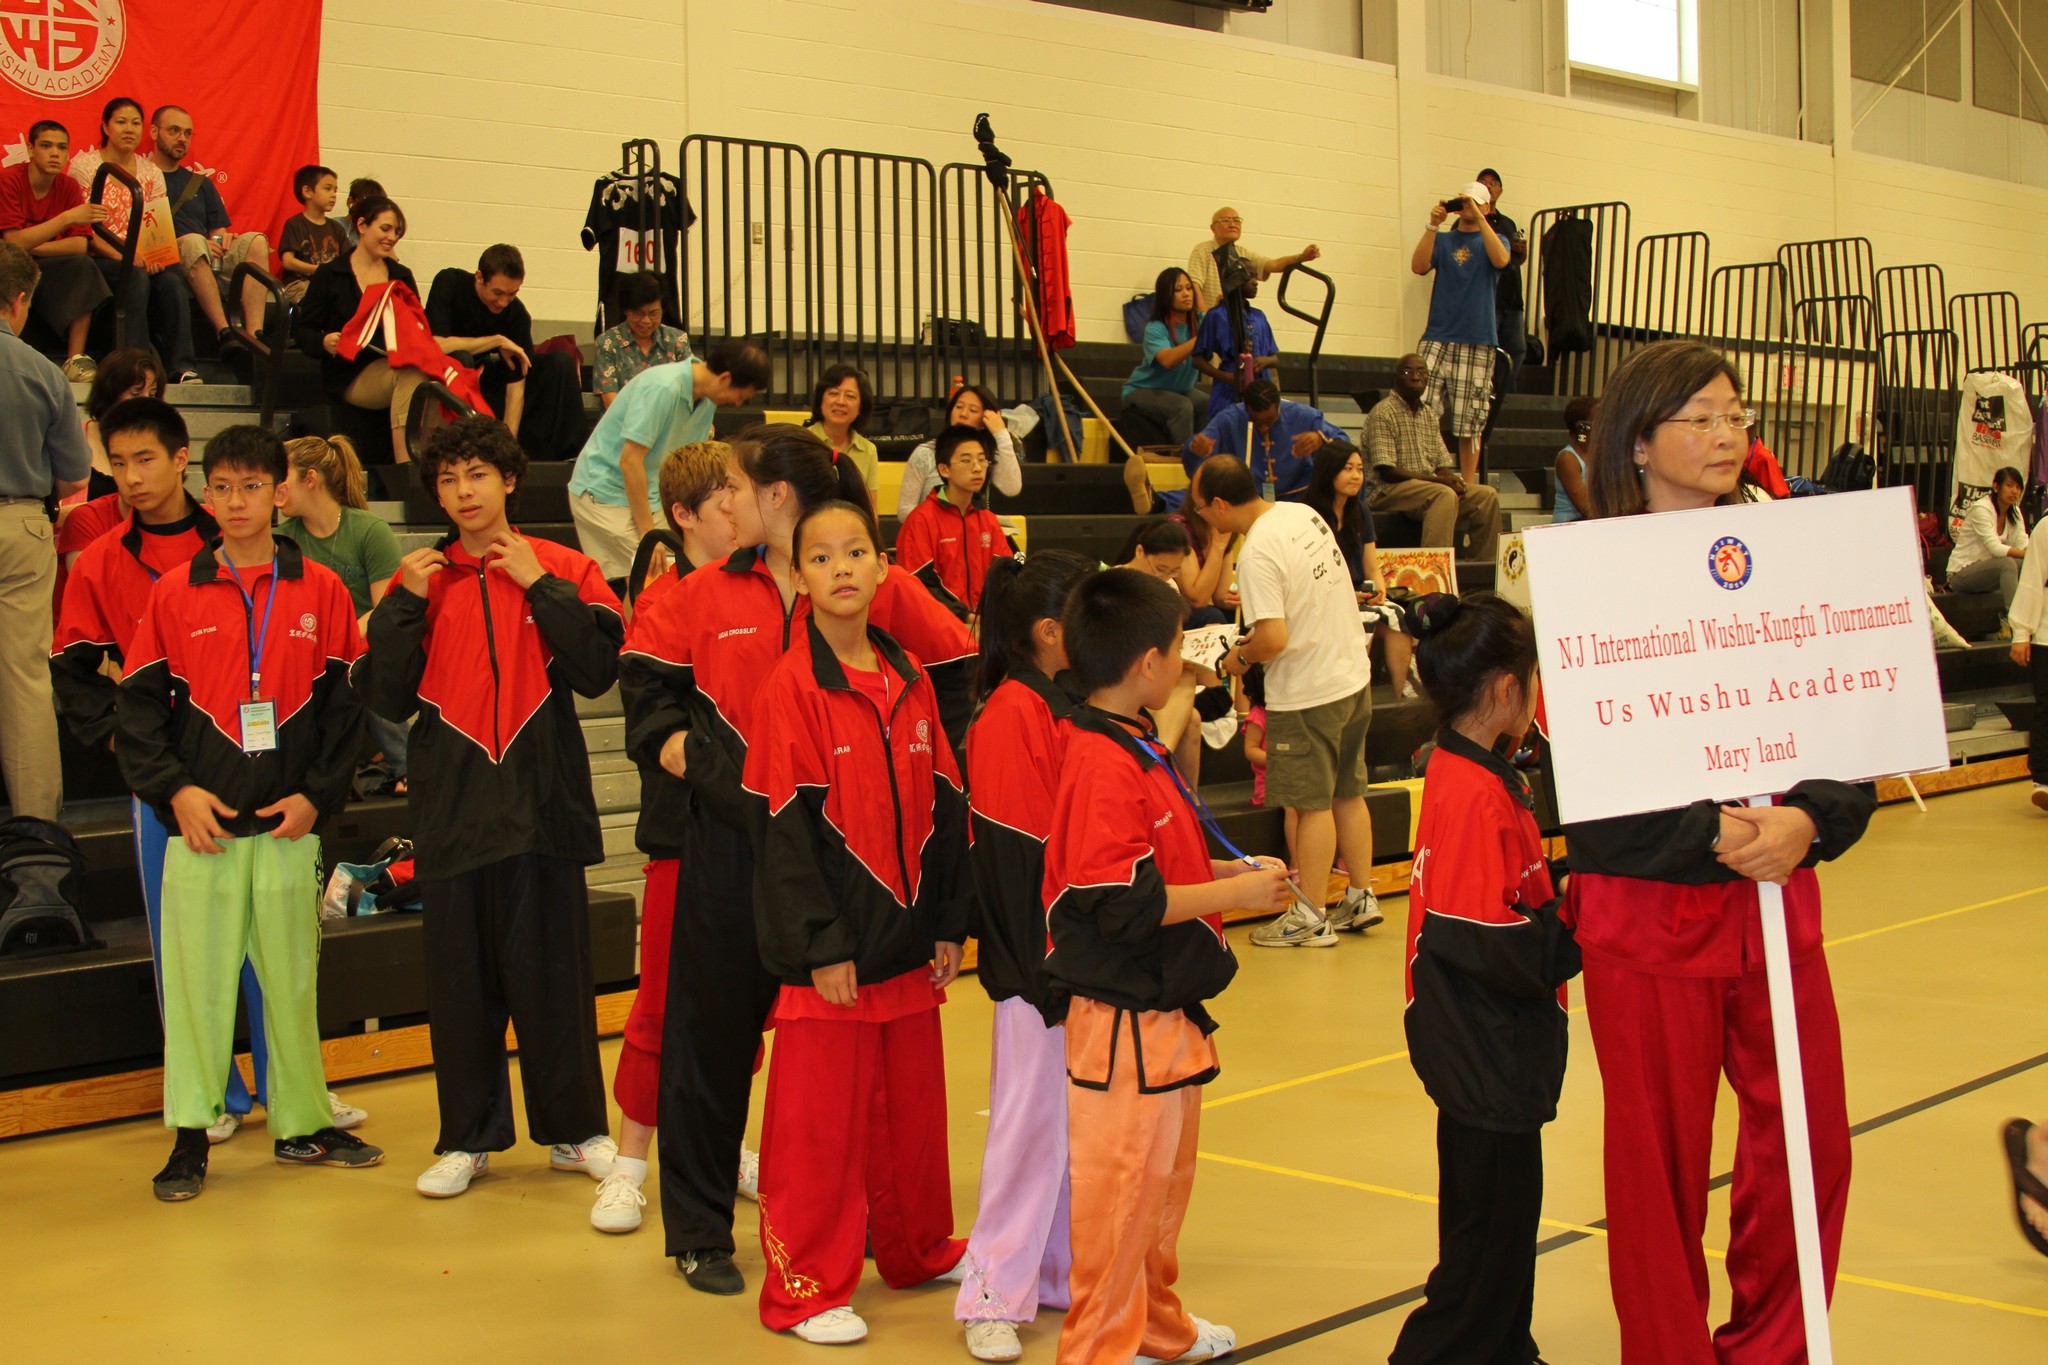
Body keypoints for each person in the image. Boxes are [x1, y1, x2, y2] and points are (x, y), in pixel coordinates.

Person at [1570, 338, 1875, 1362]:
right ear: (1638, 440)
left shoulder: (1790, 560)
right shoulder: (1592, 579)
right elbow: (1586, 792)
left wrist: (1809, 821)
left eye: (1735, 414)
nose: (1725, 433)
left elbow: (1850, 724)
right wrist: (1713, 833)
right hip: (1648, 918)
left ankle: (1773, 1346)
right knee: (1655, 1171)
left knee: (1809, 1145)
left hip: (1777, 903)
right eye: (1698, 416)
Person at [615, 424, 971, 1296]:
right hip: (727, 850)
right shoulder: (700, 590)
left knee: (853, 1059)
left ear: (776, 495)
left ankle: (875, 1225)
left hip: (842, 866)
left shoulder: (867, 584)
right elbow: (645, 693)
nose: (723, 500)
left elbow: (956, 667)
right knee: (709, 1041)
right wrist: (698, 766)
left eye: (733, 485)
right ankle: (700, 1231)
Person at [353, 416, 622, 1210]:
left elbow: (598, 667)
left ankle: (576, 1131)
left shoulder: (565, 565)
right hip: (454, 809)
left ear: (508, 479)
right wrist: (403, 605)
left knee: (556, 981)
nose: (463, 491)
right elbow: (387, 694)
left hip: (542, 806)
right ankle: (467, 1137)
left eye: (477, 474)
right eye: (448, 479)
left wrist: (539, 583)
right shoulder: (419, 580)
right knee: (461, 987)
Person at [116, 424, 382, 1200]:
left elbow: (346, 710)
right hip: (202, 830)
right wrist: (176, 791)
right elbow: (138, 711)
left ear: (280, 492)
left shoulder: (322, 589)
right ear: (207, 495)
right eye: (224, 488)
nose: (237, 502)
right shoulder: (175, 591)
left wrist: (317, 796)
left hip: (287, 826)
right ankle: (189, 1136)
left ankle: (300, 1123)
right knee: (197, 987)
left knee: (293, 983)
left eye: (253, 486)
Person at [1041, 567, 1286, 1365]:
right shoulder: (1100, 761)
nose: (1183, 661)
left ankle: (1152, 1325)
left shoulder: (1133, 740)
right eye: (1179, 648)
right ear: (1148, 662)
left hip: (1163, 1005)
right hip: (1122, 1018)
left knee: (1160, 1192)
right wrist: (1240, 892)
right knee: (1118, 1199)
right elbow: (1124, 905)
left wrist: (1232, 873)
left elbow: (1158, 869)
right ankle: (1097, 1348)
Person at [745, 497, 971, 1345]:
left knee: (910, 1117)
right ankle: (804, 1287)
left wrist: (947, 920)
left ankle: (916, 1248)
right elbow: (783, 833)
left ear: (883, 566)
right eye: (820, 556)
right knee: (818, 1131)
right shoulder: (790, 688)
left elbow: (946, 805)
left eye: (855, 552)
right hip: (833, 958)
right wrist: (821, 946)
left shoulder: (911, 675)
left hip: (907, 945)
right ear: (798, 576)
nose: (841, 567)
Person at [1387, 592, 1579, 1365]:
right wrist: (1576, 925)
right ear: (1506, 688)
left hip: (1487, 1044)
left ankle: (1506, 1347)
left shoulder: (1471, 768)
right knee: (1481, 1248)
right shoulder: (1472, 794)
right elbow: (1488, 940)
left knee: (1502, 1230)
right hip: (1484, 1047)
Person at [599, 441, 746, 1234]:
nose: (739, 507)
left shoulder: (767, 592)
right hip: (684, 835)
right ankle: (628, 1163)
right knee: (661, 1002)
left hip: (755, 836)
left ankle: (727, 1141)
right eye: (726, 496)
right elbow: (653, 723)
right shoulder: (667, 601)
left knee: (743, 1009)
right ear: (685, 514)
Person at [953, 548, 1096, 1363]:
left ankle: (1053, 1270)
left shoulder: (1064, 702)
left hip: (1072, 958)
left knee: (1069, 1128)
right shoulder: (1012, 713)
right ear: (1049, 631)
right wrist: (1045, 969)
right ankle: (989, 1293)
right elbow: (1015, 859)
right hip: (1036, 966)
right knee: (1026, 1127)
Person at [1195, 455, 1381, 947]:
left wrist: (1238, 659)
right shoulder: (1302, 514)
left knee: (1310, 804)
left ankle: (1310, 916)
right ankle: (1361, 896)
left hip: (1308, 692)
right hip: (1351, 675)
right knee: (1348, 792)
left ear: (1220, 504)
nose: (1202, 518)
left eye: (1201, 508)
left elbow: (1273, 638)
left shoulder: (1257, 551)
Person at [0, 243, 92, 821]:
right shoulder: (40, 371)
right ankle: (37, 829)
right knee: (26, 682)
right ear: (19, 300)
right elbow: (75, 476)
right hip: (19, 522)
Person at [568, 339, 769, 579]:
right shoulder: (662, 387)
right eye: (740, 395)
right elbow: (630, 462)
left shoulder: (707, 398)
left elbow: (690, 458)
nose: (738, 403)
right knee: (647, 573)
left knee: (675, 568)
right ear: (725, 378)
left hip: (650, 492)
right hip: (605, 492)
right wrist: (648, 533)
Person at [276, 434, 408, 794]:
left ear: (310, 479)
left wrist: (341, 640)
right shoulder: (282, 539)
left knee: (358, 668)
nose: (275, 488)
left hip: (361, 644)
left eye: (281, 476)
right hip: (305, 647)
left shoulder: (368, 530)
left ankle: (409, 766)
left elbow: (385, 607)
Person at [292, 196, 438, 466]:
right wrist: (324, 341)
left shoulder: (401, 275)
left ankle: (436, 462)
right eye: (385, 229)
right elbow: (303, 330)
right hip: (350, 371)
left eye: (397, 231)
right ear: (361, 225)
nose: (392, 237)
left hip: (393, 361)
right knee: (411, 373)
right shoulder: (331, 274)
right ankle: (407, 466)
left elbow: (418, 327)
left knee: (437, 375)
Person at [68, 97, 200, 383]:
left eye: (135, 123)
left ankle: (182, 367)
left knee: (173, 283)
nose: (129, 129)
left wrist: (153, 256)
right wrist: (126, 257)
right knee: (136, 278)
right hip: (100, 257)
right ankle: (137, 367)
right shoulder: (85, 166)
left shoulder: (151, 172)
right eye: (121, 122)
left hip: (141, 258)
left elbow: (157, 226)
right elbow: (85, 229)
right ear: (106, 127)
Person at [426, 244, 584, 460]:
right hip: (450, 382)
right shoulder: (450, 283)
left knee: (560, 363)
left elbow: (516, 385)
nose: (503, 302)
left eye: (512, 294)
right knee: (461, 358)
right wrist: (496, 340)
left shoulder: (517, 315)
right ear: (479, 277)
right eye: (497, 293)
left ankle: (569, 456)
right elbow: (436, 345)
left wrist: (507, 447)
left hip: (491, 387)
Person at [147, 106, 272, 356]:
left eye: (187, 133)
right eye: (174, 130)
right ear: (153, 132)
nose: (182, 138)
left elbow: (218, 233)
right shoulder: (143, 176)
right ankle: (225, 331)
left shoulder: (200, 183)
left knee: (256, 241)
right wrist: (197, 242)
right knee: (194, 241)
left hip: (204, 256)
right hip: (166, 258)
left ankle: (254, 335)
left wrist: (220, 240)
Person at [1411, 183, 1511, 480]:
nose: (1469, 207)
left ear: (1487, 207)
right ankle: (1423, 474)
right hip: (1438, 335)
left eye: (1476, 203)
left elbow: (1501, 260)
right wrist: (1433, 224)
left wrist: (1480, 216)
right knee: (1421, 407)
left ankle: (1467, 484)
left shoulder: (1497, 239)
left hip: (1477, 338)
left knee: (1471, 419)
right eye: (1465, 202)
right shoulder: (1443, 240)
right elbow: (1418, 266)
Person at [0, 119, 110, 381]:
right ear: (30, 149)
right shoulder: (9, 179)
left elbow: (79, 245)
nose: (55, 153)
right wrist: (66, 218)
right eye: (46, 146)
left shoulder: (68, 186)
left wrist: (32, 245)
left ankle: (75, 359)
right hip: (7, 260)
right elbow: (12, 242)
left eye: (61, 148)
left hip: (44, 260)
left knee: (84, 266)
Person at [1364, 354, 1502, 562]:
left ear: (1428, 378)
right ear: (1396, 377)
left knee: (1486, 496)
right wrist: (1440, 481)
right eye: (1408, 372)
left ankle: (1485, 571)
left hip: (1426, 489)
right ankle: (1434, 572)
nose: (1415, 377)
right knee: (1443, 494)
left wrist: (1451, 478)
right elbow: (1388, 471)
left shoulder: (1428, 414)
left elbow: (1441, 464)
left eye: (1421, 371)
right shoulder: (1383, 412)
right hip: (1387, 491)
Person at [1305, 439, 1414, 693]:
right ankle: (1353, 695)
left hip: (1359, 593)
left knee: (1398, 616)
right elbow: (1308, 574)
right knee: (1364, 618)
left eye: (1360, 469)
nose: (1356, 476)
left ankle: (1400, 698)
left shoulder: (1361, 511)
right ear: (1329, 471)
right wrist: (1346, 596)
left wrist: (1379, 590)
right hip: (1323, 594)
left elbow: (1372, 567)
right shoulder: (1308, 512)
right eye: (1348, 469)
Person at [893, 424, 1014, 621]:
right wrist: (964, 615)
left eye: (982, 460)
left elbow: (1005, 574)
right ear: (944, 469)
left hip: (983, 622)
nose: (977, 468)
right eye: (966, 460)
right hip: (939, 623)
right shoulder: (921, 520)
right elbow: (919, 584)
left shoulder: (988, 520)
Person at [1185, 379, 1347, 502]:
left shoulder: (1305, 416)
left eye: (1269, 421)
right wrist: (1196, 448)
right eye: (1256, 422)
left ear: (1278, 406)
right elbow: (1201, 447)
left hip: (1299, 497)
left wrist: (1320, 438)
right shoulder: (1229, 418)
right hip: (1246, 499)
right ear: (1246, 409)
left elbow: (1344, 444)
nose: (1263, 428)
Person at [897, 383, 1022, 517]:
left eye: (973, 410)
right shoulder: (926, 453)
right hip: (931, 529)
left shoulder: (984, 456)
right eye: (959, 407)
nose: (963, 414)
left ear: (985, 421)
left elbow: (1011, 488)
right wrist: (940, 524)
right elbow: (904, 510)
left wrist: (1001, 434)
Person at [1120, 268, 1205, 453]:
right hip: (1143, 390)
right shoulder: (1155, 328)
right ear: (1166, 296)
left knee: (1206, 403)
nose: (1186, 294)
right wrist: (1198, 339)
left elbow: (1219, 323)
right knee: (1182, 407)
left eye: (1189, 288)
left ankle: (1205, 456)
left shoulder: (1199, 322)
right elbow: (1167, 360)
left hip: (1179, 390)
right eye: (1178, 290)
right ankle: (1184, 459)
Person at [1184, 206, 1321, 312]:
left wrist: (1301, 257)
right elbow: (1195, 286)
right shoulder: (1203, 250)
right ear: (1213, 228)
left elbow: (1273, 265)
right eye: (1225, 220)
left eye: (1236, 220)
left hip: (1234, 322)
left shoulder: (1243, 253)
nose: (1233, 224)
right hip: (1210, 320)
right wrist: (1206, 318)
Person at [595, 269, 691, 408]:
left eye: (653, 313)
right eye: (638, 313)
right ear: (626, 310)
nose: (646, 321)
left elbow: (692, 389)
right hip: (623, 420)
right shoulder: (608, 343)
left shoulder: (677, 340)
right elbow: (612, 403)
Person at [2006, 505, 2048, 812]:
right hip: (2046, 634)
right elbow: (2032, 579)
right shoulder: (2046, 528)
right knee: (2047, 708)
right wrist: (2021, 632)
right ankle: (2043, 781)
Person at [1192, 276, 1279, 420]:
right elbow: (1198, 360)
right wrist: (1225, 377)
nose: (1255, 282)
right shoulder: (1216, 315)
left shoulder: (1259, 316)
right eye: (1249, 277)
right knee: (1226, 426)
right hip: (1228, 388)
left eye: (1255, 277)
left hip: (1261, 389)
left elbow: (1275, 358)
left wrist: (1265, 361)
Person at [1475, 169, 1529, 395]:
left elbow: (1512, 260)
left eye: (1493, 182)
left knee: (1517, 349)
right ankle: (1488, 394)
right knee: (1487, 351)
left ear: (1500, 190)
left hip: (1512, 298)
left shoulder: (1508, 223)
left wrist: (1521, 253)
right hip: (1487, 298)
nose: (1489, 186)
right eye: (1483, 182)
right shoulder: (1470, 221)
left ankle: (1506, 394)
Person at [1947, 466, 2028, 611]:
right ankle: (2015, 617)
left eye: (2018, 487)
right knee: (2007, 563)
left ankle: (2035, 613)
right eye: (2009, 485)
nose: (2014, 491)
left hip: (1988, 571)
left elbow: (2023, 543)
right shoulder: (1981, 509)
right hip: (1961, 574)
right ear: (1996, 486)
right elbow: (1995, 548)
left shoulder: (2015, 512)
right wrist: (2029, 554)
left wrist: (2034, 556)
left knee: (2027, 564)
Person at [804, 363, 880, 507]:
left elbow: (870, 508)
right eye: (833, 393)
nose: (841, 402)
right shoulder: (802, 441)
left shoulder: (868, 450)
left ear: (861, 408)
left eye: (850, 396)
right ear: (821, 400)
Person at [278, 165, 349, 306]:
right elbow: (288, 261)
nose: (333, 195)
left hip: (330, 283)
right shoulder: (295, 224)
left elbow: (348, 261)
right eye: (327, 189)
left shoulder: (337, 228)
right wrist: (320, 270)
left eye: (335, 190)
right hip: (299, 283)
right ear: (307, 192)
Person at [1551, 396, 1596, 524]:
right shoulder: (1567, 458)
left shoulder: (1599, 456)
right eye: (1597, 420)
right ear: (1582, 427)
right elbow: (1586, 508)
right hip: (1567, 527)